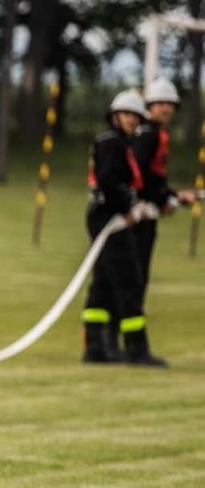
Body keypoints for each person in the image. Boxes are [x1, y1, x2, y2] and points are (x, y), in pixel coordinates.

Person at [127, 78, 198, 367]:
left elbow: (154, 178)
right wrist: (162, 198)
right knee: (133, 279)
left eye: (170, 104)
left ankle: (114, 343)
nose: (166, 108)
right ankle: (131, 347)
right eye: (161, 103)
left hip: (147, 211)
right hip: (138, 216)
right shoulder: (148, 136)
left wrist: (170, 196)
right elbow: (140, 175)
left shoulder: (155, 135)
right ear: (149, 107)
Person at [80, 89, 153, 366]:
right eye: (127, 115)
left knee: (104, 282)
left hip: (107, 217)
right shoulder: (113, 144)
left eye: (135, 116)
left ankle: (95, 347)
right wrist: (129, 208)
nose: (132, 120)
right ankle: (136, 348)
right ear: (115, 117)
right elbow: (110, 183)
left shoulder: (116, 143)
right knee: (130, 282)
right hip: (112, 220)